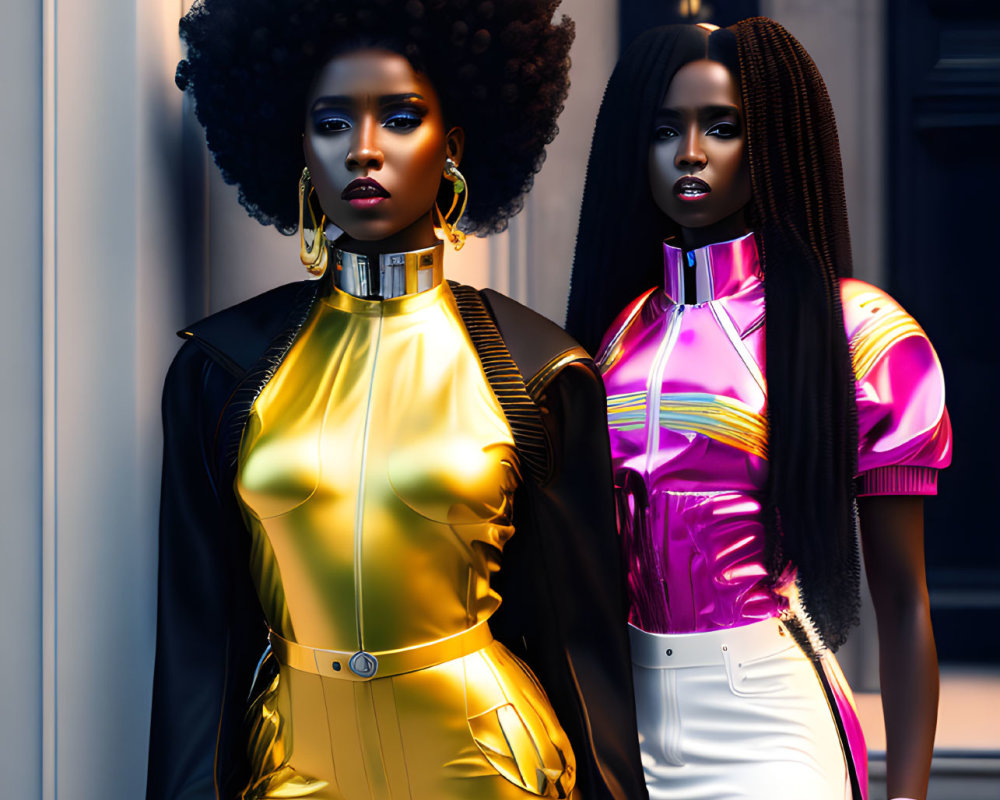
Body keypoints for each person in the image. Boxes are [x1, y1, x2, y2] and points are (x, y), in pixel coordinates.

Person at [147, 1, 647, 798]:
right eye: (333, 122)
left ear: (452, 147)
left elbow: (583, 659)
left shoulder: (538, 371)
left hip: (491, 773)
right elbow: (197, 653)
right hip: (293, 772)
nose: (365, 151)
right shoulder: (220, 371)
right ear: (297, 145)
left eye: (402, 117)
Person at [566, 18, 951, 800]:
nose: (690, 154)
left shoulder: (860, 334)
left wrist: (908, 794)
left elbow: (904, 598)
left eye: (723, 126)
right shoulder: (608, 341)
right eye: (664, 129)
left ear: (772, 138)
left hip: (765, 715)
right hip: (620, 721)